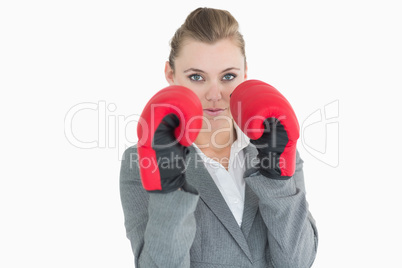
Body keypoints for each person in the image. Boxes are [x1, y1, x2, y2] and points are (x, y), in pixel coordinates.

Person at [120, 7, 318, 268]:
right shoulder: (141, 160)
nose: (215, 94)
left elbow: (297, 262)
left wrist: (277, 178)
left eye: (228, 76)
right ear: (170, 74)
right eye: (196, 77)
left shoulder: (277, 146)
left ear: (245, 73)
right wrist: (169, 188)